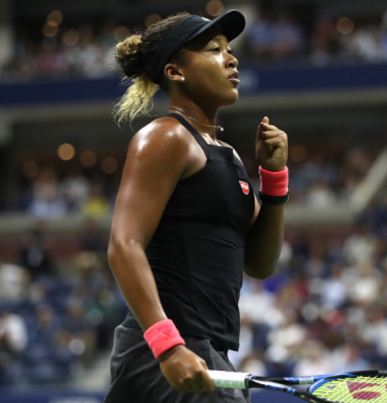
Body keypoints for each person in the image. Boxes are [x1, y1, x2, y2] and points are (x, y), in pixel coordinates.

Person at [104, 10, 289, 403]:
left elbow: (259, 264)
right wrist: (167, 345)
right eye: (213, 50)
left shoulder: (229, 156)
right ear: (175, 72)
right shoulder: (165, 137)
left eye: (230, 50)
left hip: (204, 352)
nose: (231, 58)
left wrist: (273, 181)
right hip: (166, 349)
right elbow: (124, 245)